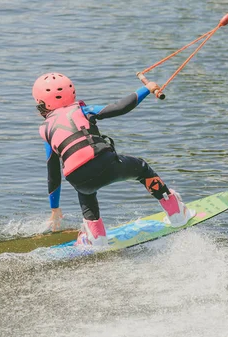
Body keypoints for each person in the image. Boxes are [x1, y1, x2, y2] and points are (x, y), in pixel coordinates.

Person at [33, 72, 196, 246]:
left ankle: (97, 237)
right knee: (141, 168)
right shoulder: (82, 110)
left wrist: (55, 209)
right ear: (72, 92)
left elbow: (53, 174)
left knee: (85, 193)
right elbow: (119, 107)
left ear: (40, 102)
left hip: (78, 179)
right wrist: (146, 89)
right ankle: (176, 212)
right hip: (106, 164)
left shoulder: (46, 131)